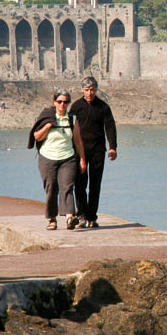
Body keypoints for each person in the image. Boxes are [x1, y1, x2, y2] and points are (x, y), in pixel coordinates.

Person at [30, 89, 86, 230]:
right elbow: (36, 136)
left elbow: (78, 141)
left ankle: (69, 217)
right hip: (47, 158)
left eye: (65, 102)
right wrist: (48, 126)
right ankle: (52, 219)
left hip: (67, 158)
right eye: (60, 101)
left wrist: (82, 160)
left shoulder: (72, 119)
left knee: (67, 187)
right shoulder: (47, 116)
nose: (62, 104)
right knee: (51, 189)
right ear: (54, 102)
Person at [68, 76, 118, 229]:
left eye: (92, 90)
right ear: (82, 90)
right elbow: (68, 128)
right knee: (80, 184)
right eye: (87, 90)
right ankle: (82, 215)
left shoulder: (103, 107)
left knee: (95, 185)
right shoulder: (76, 107)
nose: (90, 93)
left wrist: (113, 147)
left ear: (96, 90)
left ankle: (92, 216)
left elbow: (110, 127)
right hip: (80, 151)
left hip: (97, 150)